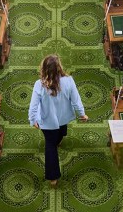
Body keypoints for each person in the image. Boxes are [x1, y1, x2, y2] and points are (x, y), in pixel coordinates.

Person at [28, 54, 88, 185]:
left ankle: (53, 177)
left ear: (43, 69)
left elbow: (33, 107)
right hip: (64, 117)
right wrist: (82, 114)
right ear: (59, 67)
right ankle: (59, 140)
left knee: (50, 146)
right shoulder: (69, 80)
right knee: (61, 129)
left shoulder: (39, 85)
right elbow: (76, 100)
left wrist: (33, 120)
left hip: (47, 122)